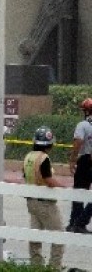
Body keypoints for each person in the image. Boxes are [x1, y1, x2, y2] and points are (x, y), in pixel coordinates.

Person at [23, 126, 65, 268]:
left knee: (35, 236)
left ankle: (36, 266)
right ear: (49, 144)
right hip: (45, 204)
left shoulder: (28, 157)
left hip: (31, 202)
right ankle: (54, 267)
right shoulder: (44, 158)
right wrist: (63, 188)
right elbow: (48, 179)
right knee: (59, 236)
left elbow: (25, 176)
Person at [67, 97, 92, 234]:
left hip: (84, 160)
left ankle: (76, 222)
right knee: (84, 192)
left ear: (86, 111)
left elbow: (78, 143)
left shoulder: (82, 125)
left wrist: (72, 160)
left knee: (79, 191)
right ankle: (78, 223)